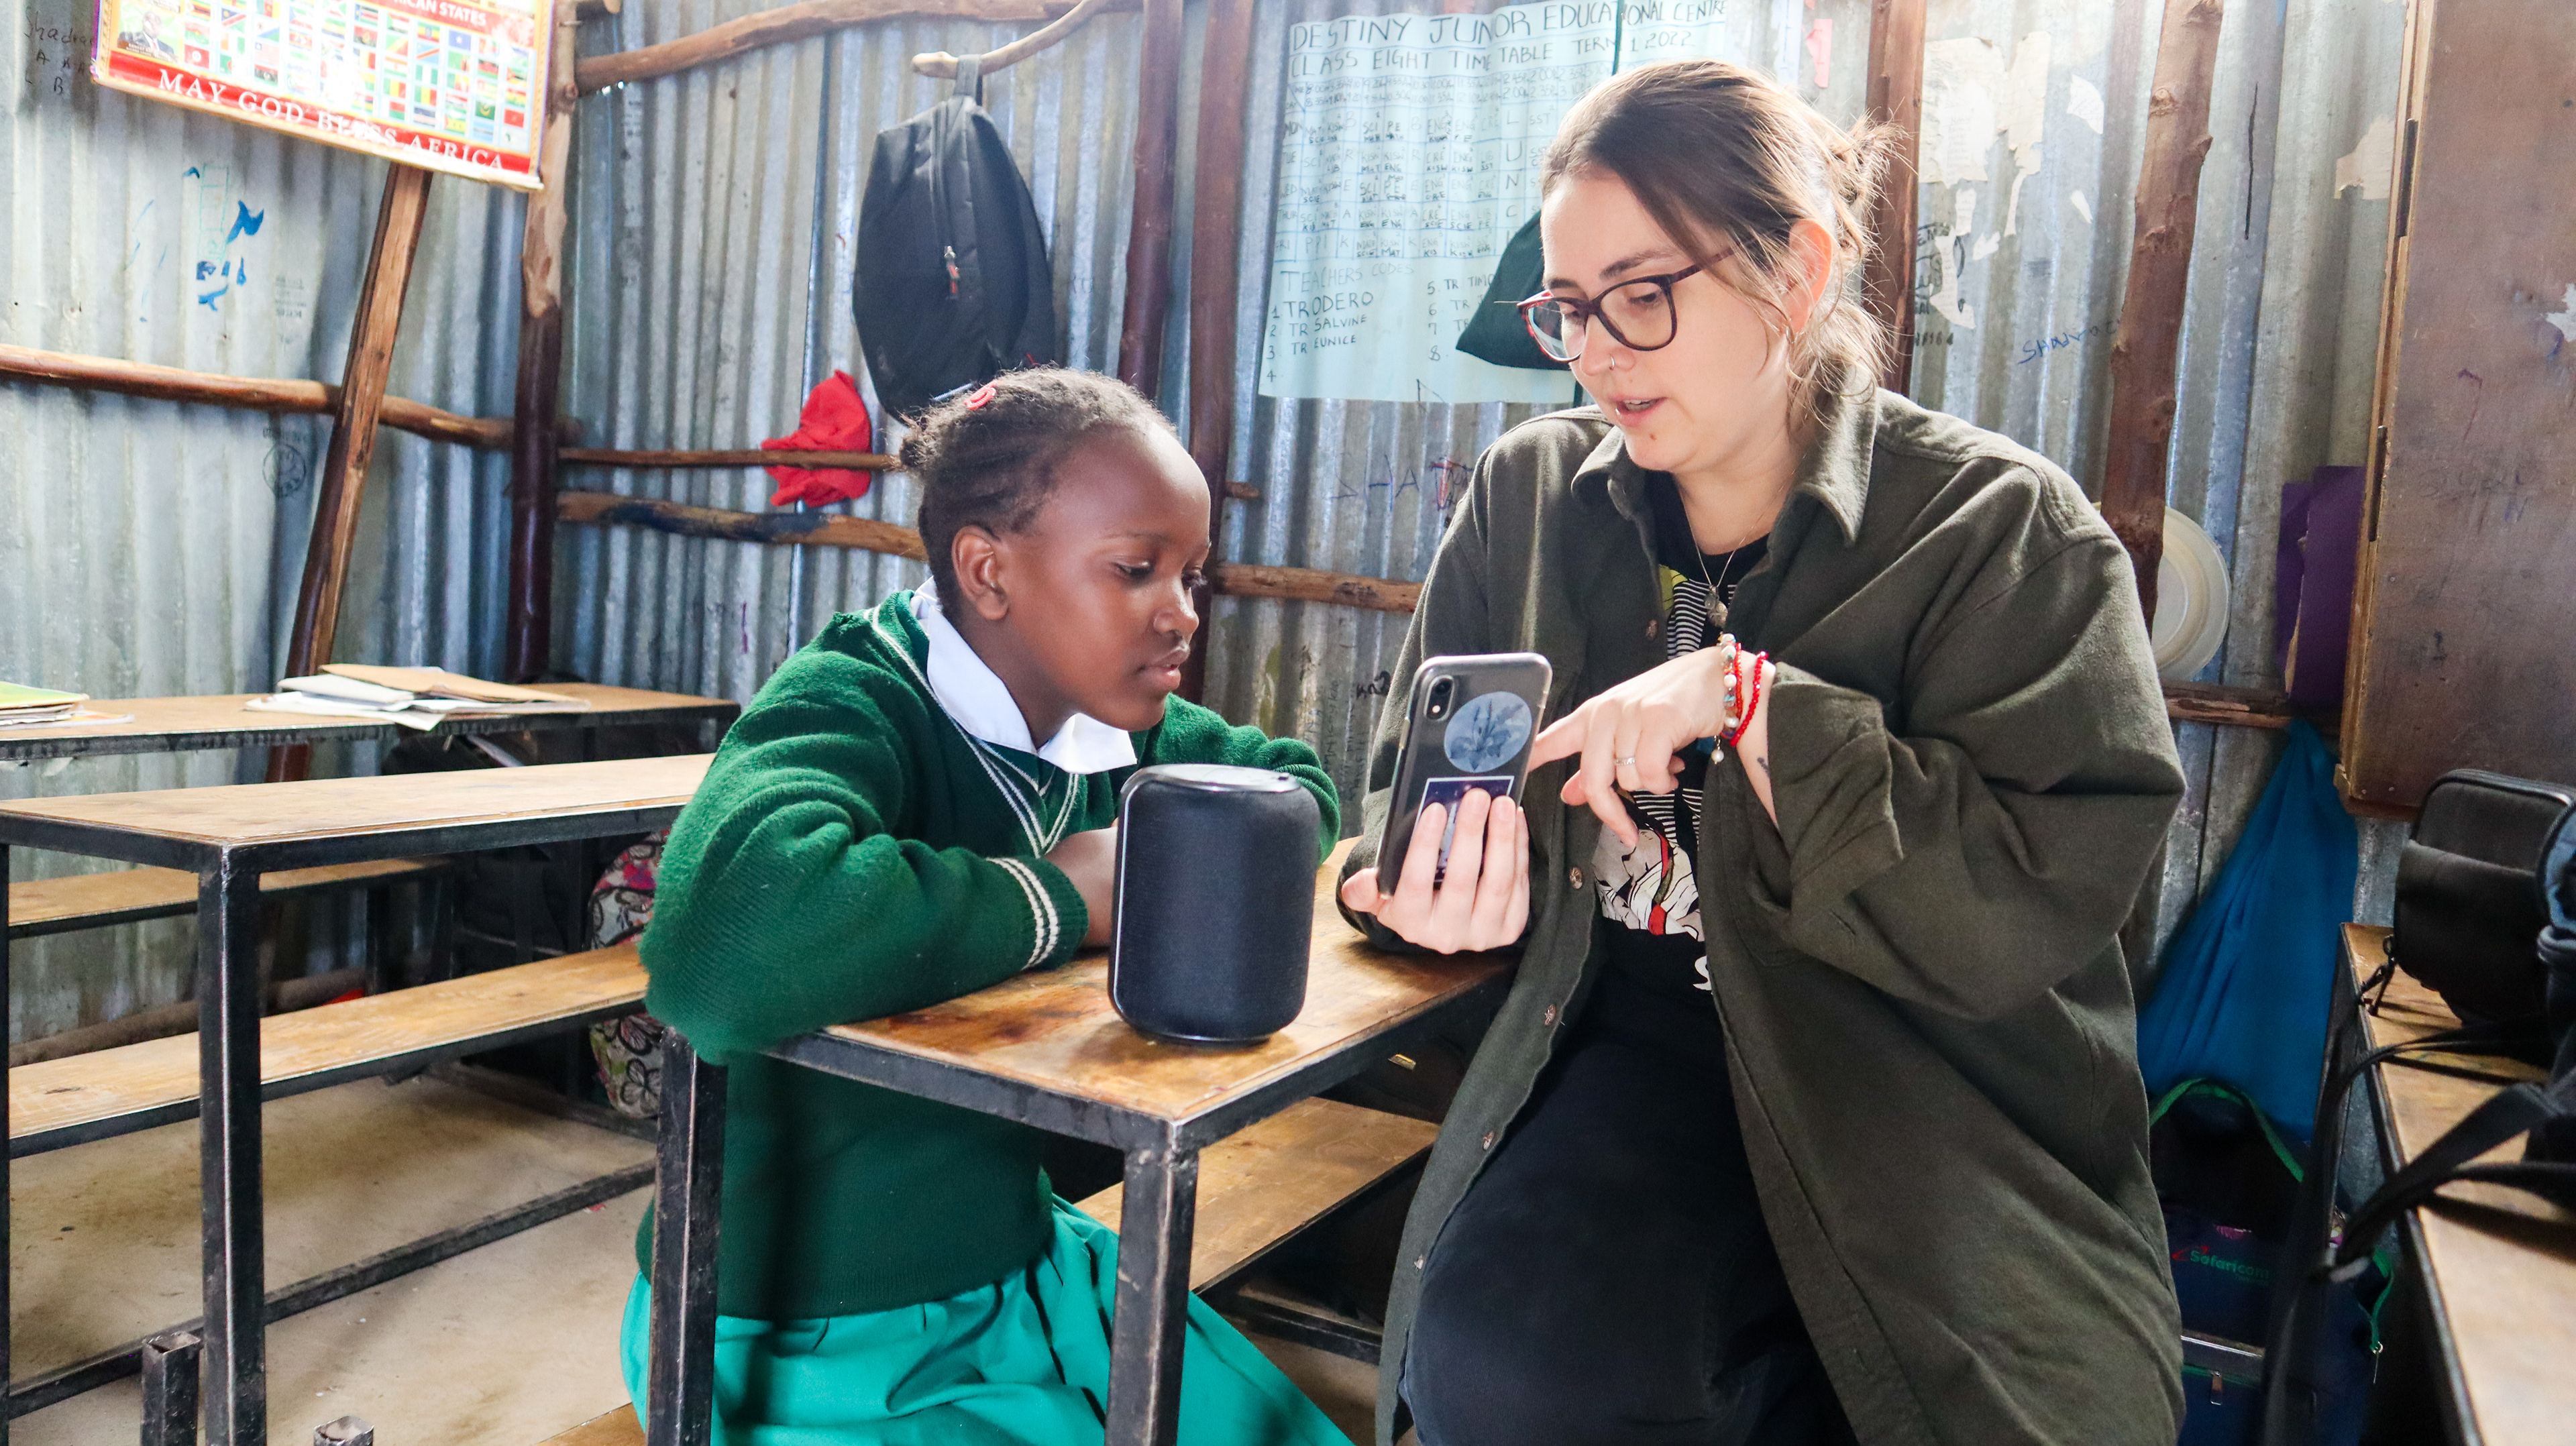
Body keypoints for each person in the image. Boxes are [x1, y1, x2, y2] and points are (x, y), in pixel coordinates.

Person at [1336, 61, 2188, 1446]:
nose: (1598, 354)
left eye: (1642, 294)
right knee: (1510, 1362)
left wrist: (1754, 702)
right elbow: (1399, 807)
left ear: (1796, 269)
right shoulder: (1532, 500)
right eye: (1568, 310)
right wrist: (1410, 886)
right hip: (1629, 1041)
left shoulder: (2002, 534)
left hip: (1925, 1082)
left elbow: (2031, 904)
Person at [632, 367, 1352, 1446]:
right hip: (803, 1328)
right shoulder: (859, 695)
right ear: (988, 570)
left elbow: (1294, 790)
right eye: (1136, 570)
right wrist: (1065, 895)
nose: (1182, 614)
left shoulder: (1113, 725)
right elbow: (723, 951)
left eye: (1192, 574)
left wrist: (1167, 860)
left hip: (1024, 1268)